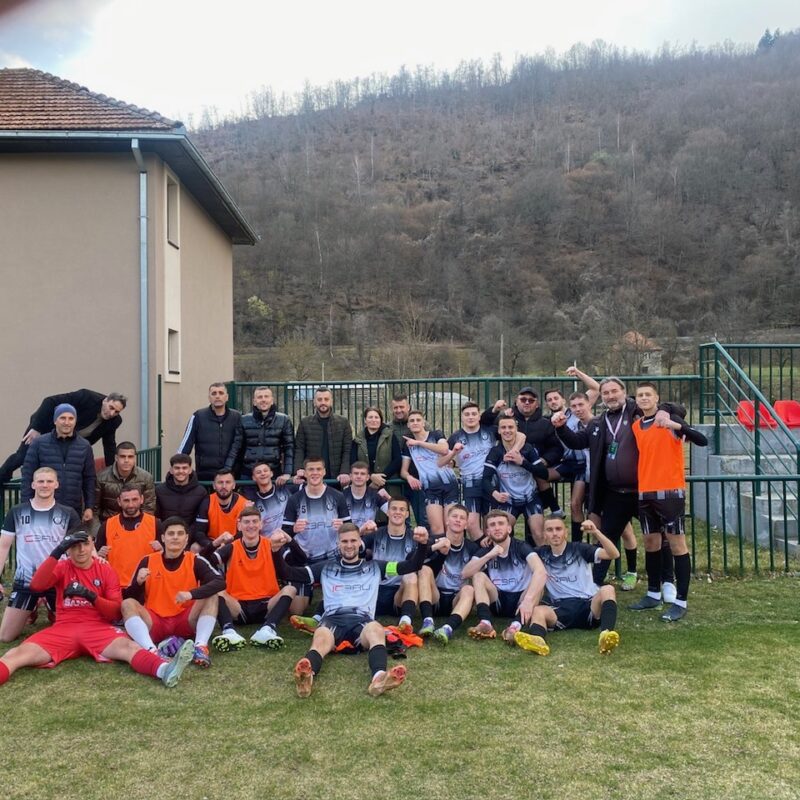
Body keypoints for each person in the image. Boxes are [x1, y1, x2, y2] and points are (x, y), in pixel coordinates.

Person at [0, 529, 193, 689]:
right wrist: (57, 550)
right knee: (16, 655)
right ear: (68, 549)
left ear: (93, 544)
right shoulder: (62, 566)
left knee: (130, 648)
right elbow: (36, 585)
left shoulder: (106, 570)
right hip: (64, 628)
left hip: (98, 629)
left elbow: (115, 612)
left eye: (85, 544)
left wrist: (90, 596)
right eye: (74, 546)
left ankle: (164, 670)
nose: (81, 550)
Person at [551, 377, 683, 595]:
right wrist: (561, 428)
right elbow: (577, 441)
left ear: (624, 392)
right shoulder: (598, 422)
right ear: (601, 397)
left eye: (614, 391)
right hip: (615, 493)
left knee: (659, 536)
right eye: (606, 393)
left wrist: (664, 410)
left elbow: (678, 410)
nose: (610, 396)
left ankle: (667, 581)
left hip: (644, 490)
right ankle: (594, 584)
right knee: (606, 536)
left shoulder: (636, 411)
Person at [275, 522, 428, 698]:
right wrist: (275, 551)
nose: (349, 545)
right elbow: (288, 573)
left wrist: (423, 544)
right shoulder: (325, 567)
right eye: (344, 541)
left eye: (353, 541)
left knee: (376, 629)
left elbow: (411, 565)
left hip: (362, 622)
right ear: (338, 544)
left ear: (359, 542)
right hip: (332, 621)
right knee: (321, 636)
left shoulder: (376, 567)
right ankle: (306, 677)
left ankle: (379, 679)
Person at [628, 382, 708, 621]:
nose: (644, 398)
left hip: (670, 492)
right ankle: (653, 593)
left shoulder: (670, 421)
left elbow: (701, 440)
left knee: (677, 545)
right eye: (640, 395)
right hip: (646, 492)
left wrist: (677, 425)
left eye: (648, 395)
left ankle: (681, 601)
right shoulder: (636, 426)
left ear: (657, 398)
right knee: (651, 543)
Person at [121, 517, 224, 668]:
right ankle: (152, 651)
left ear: (186, 538)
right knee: (127, 604)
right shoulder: (147, 561)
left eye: (180, 534)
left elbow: (220, 582)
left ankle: (200, 647)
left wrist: (191, 594)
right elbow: (128, 596)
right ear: (163, 538)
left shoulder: (195, 560)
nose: (175, 537)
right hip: (155, 621)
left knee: (212, 596)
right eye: (171, 533)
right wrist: (138, 583)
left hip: (185, 620)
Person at [0, 467, 79, 642]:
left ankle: (50, 605)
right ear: (33, 484)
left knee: (71, 631)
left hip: (58, 581)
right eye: (41, 481)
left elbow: (77, 548)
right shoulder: (16, 511)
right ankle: (33, 604)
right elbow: (3, 547)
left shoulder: (68, 513)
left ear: (56, 484)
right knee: (6, 636)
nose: (45, 485)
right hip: (26, 581)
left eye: (49, 481)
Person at [523, 516, 621, 656]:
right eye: (549, 530)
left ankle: (606, 635)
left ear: (566, 532)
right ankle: (538, 641)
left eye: (558, 529)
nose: (554, 533)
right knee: (538, 611)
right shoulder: (540, 554)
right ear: (544, 534)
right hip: (561, 608)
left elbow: (614, 554)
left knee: (608, 589)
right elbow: (516, 553)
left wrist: (596, 532)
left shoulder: (579, 548)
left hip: (588, 606)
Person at [209, 507, 298, 651]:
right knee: (215, 591)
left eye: (255, 521)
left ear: (261, 524)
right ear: (239, 525)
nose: (251, 525)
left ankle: (268, 629)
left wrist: (290, 541)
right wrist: (214, 543)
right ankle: (229, 632)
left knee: (290, 589)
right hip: (238, 606)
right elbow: (205, 561)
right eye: (246, 522)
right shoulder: (231, 547)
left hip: (266, 605)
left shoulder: (271, 545)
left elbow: (298, 562)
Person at [0, 390, 126, 486]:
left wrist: (112, 473)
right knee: (22, 457)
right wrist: (36, 427)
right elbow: (49, 401)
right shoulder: (87, 397)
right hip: (45, 426)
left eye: (116, 412)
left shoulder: (114, 421)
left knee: (62, 470)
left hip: (70, 441)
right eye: (111, 407)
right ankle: (2, 478)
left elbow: (109, 445)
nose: (112, 413)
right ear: (105, 401)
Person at [461, 510, 548, 644]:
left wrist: (528, 600)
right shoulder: (486, 550)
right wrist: (489, 556)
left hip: (521, 600)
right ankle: (485, 623)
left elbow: (541, 571)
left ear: (509, 528)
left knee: (539, 586)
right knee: (478, 576)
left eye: (501, 524)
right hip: (498, 600)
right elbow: (465, 573)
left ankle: (514, 628)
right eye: (492, 525)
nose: (497, 528)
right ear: (487, 531)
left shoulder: (521, 547)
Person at [281, 457, 351, 615]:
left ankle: (325, 597)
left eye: (318, 469)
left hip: (332, 558)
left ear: (324, 472)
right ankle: (308, 589)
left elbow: (350, 528)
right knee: (296, 611)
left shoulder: (337, 496)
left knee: (338, 605)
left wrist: (343, 527)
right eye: (311, 469)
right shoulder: (294, 499)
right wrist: (294, 529)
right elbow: (284, 533)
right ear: (305, 473)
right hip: (303, 559)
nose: (315, 473)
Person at [481, 387, 565, 518]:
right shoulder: (507, 419)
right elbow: (484, 423)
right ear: (516, 401)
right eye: (523, 399)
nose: (527, 402)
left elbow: (556, 448)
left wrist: (545, 460)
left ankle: (552, 509)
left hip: (533, 466)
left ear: (537, 404)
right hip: (509, 470)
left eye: (531, 400)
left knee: (540, 476)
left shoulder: (545, 424)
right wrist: (494, 410)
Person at [20, 404, 95, 522]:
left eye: (71, 418)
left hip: (73, 509)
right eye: (62, 418)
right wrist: (25, 505)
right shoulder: (39, 443)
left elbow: (89, 479)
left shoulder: (84, 446)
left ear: (75, 421)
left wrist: (89, 507)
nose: (67, 422)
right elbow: (28, 476)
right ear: (55, 420)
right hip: (42, 508)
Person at [437, 402, 500, 541]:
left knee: (491, 525)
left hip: (491, 483)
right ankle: (482, 549)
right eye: (467, 414)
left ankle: (492, 552)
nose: (470, 417)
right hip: (470, 483)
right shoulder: (455, 437)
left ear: (479, 416)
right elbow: (441, 462)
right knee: (471, 524)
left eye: (473, 414)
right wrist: (453, 454)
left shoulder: (490, 431)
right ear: (462, 417)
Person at [482, 416, 549, 545]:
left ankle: (543, 558)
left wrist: (523, 462)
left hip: (530, 498)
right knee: (500, 534)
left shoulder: (527, 449)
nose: (507, 430)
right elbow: (485, 479)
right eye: (503, 427)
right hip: (509, 501)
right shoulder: (496, 452)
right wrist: (495, 493)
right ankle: (504, 557)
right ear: (499, 431)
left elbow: (544, 473)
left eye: (510, 427)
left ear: (516, 429)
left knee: (539, 534)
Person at [417, 504, 477, 644]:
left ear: (466, 525)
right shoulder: (435, 540)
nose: (458, 520)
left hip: (456, 599)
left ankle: (447, 628)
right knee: (424, 569)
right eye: (454, 516)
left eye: (462, 518)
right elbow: (411, 559)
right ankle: (427, 621)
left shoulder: (472, 547)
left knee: (469, 589)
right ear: (447, 521)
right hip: (435, 597)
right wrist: (436, 548)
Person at [95, 485, 163, 588]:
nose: (131, 505)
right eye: (126, 500)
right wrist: (99, 554)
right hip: (116, 586)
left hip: (148, 585)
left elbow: (168, 558)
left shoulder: (155, 523)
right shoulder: (107, 525)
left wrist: (162, 549)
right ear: (119, 501)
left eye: (134, 499)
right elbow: (95, 558)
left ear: (142, 499)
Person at [400, 410, 455, 536]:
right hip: (430, 489)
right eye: (412, 421)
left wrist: (419, 443)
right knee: (436, 529)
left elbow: (444, 449)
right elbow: (403, 471)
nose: (415, 423)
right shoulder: (408, 444)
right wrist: (409, 477)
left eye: (418, 420)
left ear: (423, 423)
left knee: (450, 526)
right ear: (408, 425)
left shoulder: (436, 434)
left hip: (449, 486)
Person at [178, 382, 243, 482]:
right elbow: (185, 445)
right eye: (214, 393)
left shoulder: (237, 417)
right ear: (209, 398)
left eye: (221, 393)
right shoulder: (198, 416)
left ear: (227, 397)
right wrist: (178, 466)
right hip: (205, 476)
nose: (217, 396)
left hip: (231, 475)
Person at [294, 387, 353, 485]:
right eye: (319, 399)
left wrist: (344, 471)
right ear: (314, 402)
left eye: (326, 399)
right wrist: (299, 469)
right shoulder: (305, 423)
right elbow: (299, 449)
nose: (323, 402)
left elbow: (347, 450)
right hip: (312, 476)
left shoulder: (343, 423)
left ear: (331, 401)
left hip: (336, 477)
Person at [238, 386, 294, 483]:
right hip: (248, 473)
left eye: (266, 396)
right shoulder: (244, 420)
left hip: (274, 473)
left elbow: (289, 448)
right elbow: (236, 448)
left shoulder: (284, 420)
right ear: (254, 401)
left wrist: (287, 473)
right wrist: (229, 471)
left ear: (272, 400)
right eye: (260, 397)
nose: (263, 400)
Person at [389, 393, 428, 525]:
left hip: (417, 478)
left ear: (408, 407)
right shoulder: (388, 428)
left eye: (402, 407)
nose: (399, 410)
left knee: (423, 518)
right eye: (395, 407)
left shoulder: (419, 425)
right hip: (395, 479)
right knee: (400, 519)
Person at [94, 441, 156, 522]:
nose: (126, 460)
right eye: (122, 456)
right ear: (116, 458)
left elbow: (148, 508)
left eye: (130, 457)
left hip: (136, 523)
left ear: (135, 458)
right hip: (108, 524)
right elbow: (94, 509)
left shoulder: (146, 478)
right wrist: (101, 529)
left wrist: (140, 527)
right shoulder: (101, 477)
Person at [192, 469, 249, 552]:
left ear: (234, 485)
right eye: (220, 482)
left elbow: (245, 532)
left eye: (228, 482)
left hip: (234, 543)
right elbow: (199, 532)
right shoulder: (207, 501)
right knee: (195, 547)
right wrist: (213, 544)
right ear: (214, 485)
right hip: (212, 542)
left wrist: (227, 546)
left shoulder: (243, 503)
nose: (224, 486)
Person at [351, 406, 402, 491]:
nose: (373, 420)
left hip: (388, 484)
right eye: (370, 417)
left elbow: (397, 460)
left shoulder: (390, 436)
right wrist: (371, 476)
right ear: (365, 420)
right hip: (366, 485)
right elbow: (354, 462)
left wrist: (380, 479)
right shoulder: (357, 440)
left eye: (376, 417)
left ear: (381, 420)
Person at [241, 460, 296, 539]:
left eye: (265, 471)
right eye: (258, 472)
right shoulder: (253, 503)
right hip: (268, 543)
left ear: (271, 473)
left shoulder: (285, 488)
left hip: (290, 539)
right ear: (253, 478)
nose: (263, 473)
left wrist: (296, 477)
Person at [154, 453, 208, 527]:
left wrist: (188, 533)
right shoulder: (159, 490)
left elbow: (200, 520)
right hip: (165, 532)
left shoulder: (201, 492)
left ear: (190, 470)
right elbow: (156, 517)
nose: (181, 471)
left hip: (191, 533)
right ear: (171, 470)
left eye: (184, 468)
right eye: (177, 468)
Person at [343, 461, 391, 534]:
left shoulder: (374, 495)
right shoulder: (342, 496)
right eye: (356, 473)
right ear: (350, 476)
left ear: (368, 477)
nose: (359, 476)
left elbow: (394, 513)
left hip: (369, 536)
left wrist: (389, 498)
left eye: (362, 474)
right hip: (348, 537)